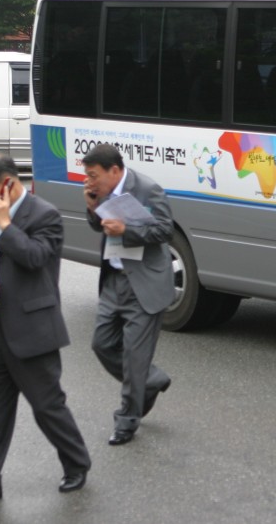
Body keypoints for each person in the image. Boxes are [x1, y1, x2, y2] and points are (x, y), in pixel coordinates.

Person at [0, 154, 91, 505]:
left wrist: (7, 225)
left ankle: (76, 463)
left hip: (32, 327)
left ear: (8, 183)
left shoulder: (45, 215)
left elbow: (36, 259)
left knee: (47, 406)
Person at [82, 144, 174, 446]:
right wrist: (93, 209)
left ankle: (127, 421)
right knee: (101, 344)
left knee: (135, 357)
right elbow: (100, 227)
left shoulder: (148, 189)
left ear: (115, 171)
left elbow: (164, 231)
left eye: (94, 176)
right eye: (88, 175)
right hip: (114, 279)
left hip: (144, 281)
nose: (90, 181)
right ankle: (151, 379)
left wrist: (127, 229)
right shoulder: (100, 191)